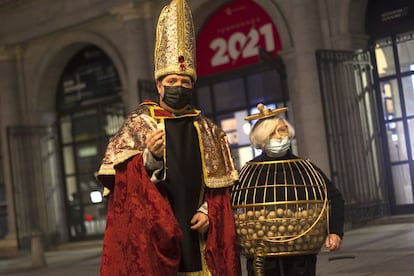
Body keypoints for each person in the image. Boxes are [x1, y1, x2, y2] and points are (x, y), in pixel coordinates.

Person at [96, 0, 241, 275]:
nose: (179, 87)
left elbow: (221, 189)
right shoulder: (140, 124)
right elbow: (121, 187)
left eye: (185, 82)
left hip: (199, 237)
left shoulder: (209, 130)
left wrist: (208, 211)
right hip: (157, 240)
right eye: (172, 82)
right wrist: (149, 159)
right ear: (159, 85)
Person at [241, 104, 345, 276]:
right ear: (261, 140)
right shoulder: (249, 173)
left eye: (282, 131)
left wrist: (334, 231)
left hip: (301, 251)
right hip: (262, 252)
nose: (278, 137)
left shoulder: (306, 168)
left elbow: (334, 198)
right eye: (271, 134)